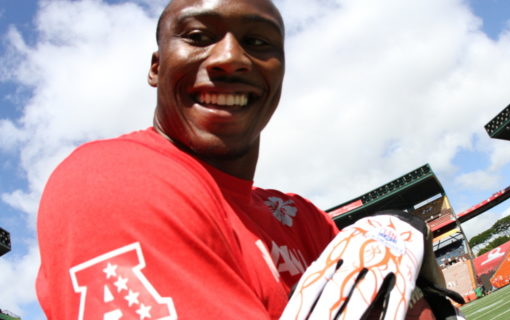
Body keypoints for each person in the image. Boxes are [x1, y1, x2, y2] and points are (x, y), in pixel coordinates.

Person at [36, 0, 339, 318]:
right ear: (156, 68)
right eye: (197, 36)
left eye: (258, 42)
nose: (231, 59)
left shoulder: (304, 220)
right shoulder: (109, 177)